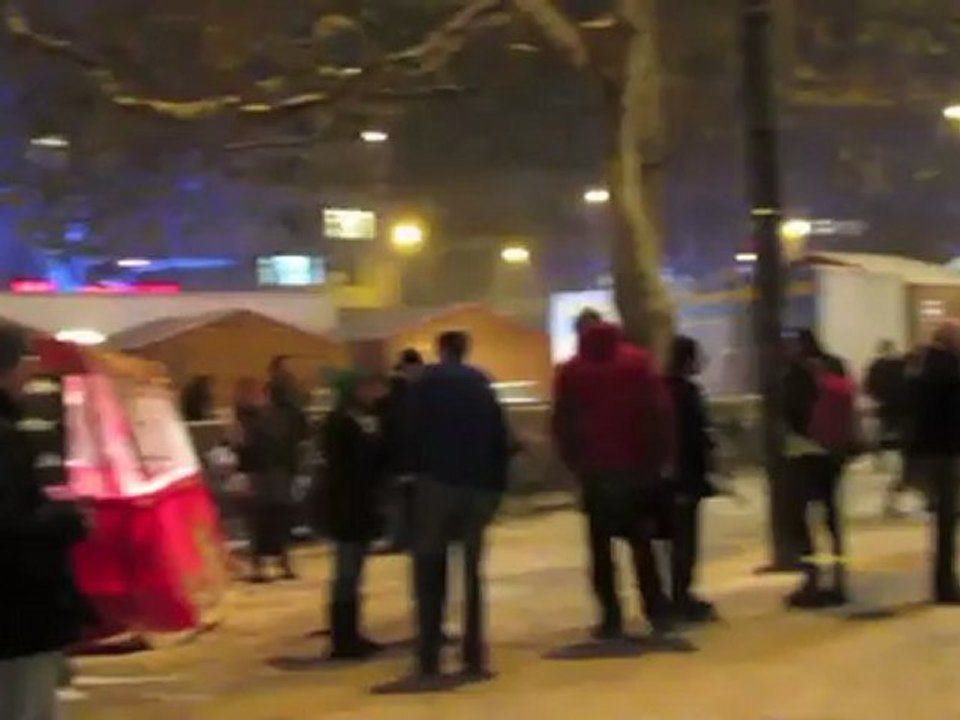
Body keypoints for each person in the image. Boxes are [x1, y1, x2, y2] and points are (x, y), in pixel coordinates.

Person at [553, 320, 674, 639]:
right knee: (642, 543)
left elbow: (563, 420)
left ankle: (610, 616)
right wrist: (659, 459)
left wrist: (574, 462)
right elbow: (659, 411)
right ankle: (655, 608)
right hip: (637, 469)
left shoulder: (573, 371)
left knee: (600, 548)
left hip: (596, 472)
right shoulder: (638, 362)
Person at [0, 325, 91, 720]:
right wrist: (69, 521)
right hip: (17, 612)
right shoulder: (5, 436)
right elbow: (11, 524)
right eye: (27, 364)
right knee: (27, 705)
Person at [408, 331, 509, 681]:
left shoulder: (422, 384)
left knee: (429, 571)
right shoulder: (480, 383)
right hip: (476, 483)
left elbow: (408, 432)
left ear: (440, 349)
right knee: (472, 571)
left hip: (435, 483)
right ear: (465, 350)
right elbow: (499, 436)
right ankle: (474, 653)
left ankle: (429, 654)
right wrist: (497, 484)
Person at [783, 330, 856, 608]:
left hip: (804, 452)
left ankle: (812, 579)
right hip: (834, 453)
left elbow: (793, 414)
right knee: (831, 516)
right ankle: (838, 579)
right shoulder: (835, 365)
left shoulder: (796, 373)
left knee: (801, 518)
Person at [322, 371, 388, 659]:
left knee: (352, 574)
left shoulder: (359, 419)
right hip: (347, 507)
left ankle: (352, 633)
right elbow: (349, 465)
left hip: (358, 506)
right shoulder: (341, 422)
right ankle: (343, 638)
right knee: (346, 574)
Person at [667, 335, 718, 622]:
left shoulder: (660, 388)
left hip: (664, 474)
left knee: (668, 539)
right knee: (685, 539)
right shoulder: (687, 393)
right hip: (687, 475)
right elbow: (696, 437)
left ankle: (670, 595)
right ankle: (681, 594)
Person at [909, 321, 960, 603]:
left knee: (942, 519)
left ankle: (943, 582)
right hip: (946, 453)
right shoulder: (950, 370)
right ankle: (945, 584)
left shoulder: (923, 368)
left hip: (928, 451)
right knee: (947, 520)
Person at [235, 379, 300, 583]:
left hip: (271, 474)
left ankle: (278, 563)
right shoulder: (249, 419)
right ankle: (264, 565)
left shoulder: (270, 417)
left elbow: (286, 445)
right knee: (263, 521)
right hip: (263, 474)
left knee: (274, 519)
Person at [378, 348, 424, 552]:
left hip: (397, 457)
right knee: (412, 501)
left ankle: (398, 538)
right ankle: (411, 538)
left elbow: (387, 425)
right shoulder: (419, 389)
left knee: (397, 501)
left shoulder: (392, 391)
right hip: (415, 457)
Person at [864, 341, 909, 515]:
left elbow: (869, 386)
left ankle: (879, 455)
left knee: (885, 434)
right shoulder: (902, 365)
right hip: (903, 411)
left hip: (886, 408)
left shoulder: (876, 366)